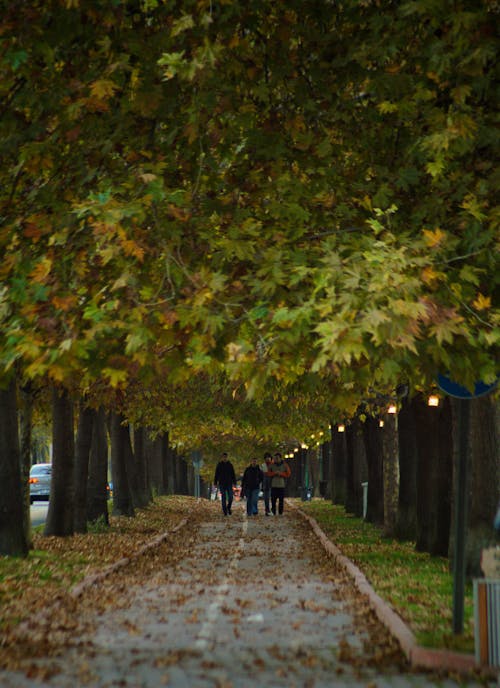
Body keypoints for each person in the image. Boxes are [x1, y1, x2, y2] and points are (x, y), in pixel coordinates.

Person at [213, 452, 236, 516]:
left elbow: (233, 474)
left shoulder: (230, 465)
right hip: (222, 483)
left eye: (225, 457)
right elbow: (216, 474)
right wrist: (215, 482)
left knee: (231, 497)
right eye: (223, 457)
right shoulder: (219, 465)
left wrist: (234, 483)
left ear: (227, 457)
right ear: (222, 458)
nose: (224, 458)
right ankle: (224, 511)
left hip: (229, 483)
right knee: (223, 497)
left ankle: (228, 507)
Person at [269, 451, 291, 515]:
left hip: (281, 485)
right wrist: (274, 473)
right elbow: (268, 473)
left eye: (277, 458)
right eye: (275, 458)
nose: (276, 459)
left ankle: (280, 512)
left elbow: (288, 474)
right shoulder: (271, 465)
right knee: (273, 500)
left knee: (281, 500)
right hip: (274, 485)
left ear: (281, 458)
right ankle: (273, 511)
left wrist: (281, 474)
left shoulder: (285, 465)